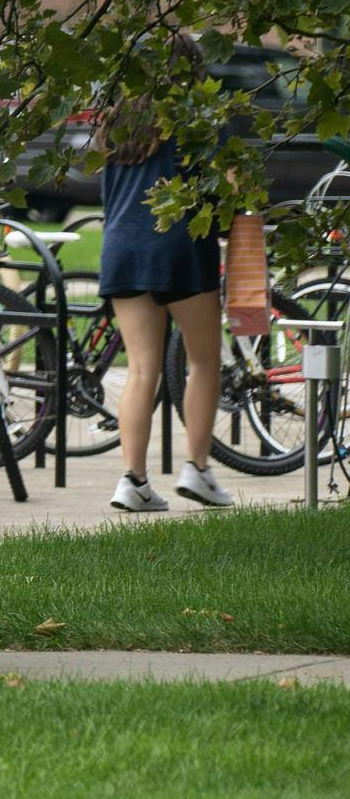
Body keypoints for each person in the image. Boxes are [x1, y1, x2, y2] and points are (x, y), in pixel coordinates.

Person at [97, 34, 237, 513]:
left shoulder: (118, 121)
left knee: (141, 370)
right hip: (179, 245)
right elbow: (228, 186)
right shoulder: (196, 119)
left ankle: (133, 481)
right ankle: (197, 470)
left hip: (121, 248)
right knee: (202, 362)